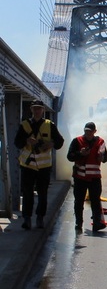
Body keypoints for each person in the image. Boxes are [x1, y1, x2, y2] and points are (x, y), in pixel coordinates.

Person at [14, 99, 64, 230]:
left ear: (43, 110)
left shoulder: (49, 125)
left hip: (44, 167)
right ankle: (27, 219)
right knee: (28, 193)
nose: (37, 111)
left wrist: (51, 144)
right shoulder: (24, 125)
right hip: (27, 166)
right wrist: (26, 140)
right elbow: (17, 143)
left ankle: (40, 218)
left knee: (42, 194)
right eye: (34, 108)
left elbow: (60, 142)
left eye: (39, 108)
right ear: (31, 110)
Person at [67, 122, 107, 231]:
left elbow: (106, 157)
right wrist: (80, 154)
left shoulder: (100, 142)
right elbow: (70, 156)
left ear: (95, 131)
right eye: (86, 131)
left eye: (90, 131)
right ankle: (78, 223)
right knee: (79, 201)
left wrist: (102, 158)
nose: (88, 133)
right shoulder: (77, 141)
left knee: (95, 201)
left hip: (94, 178)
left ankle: (96, 224)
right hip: (80, 177)